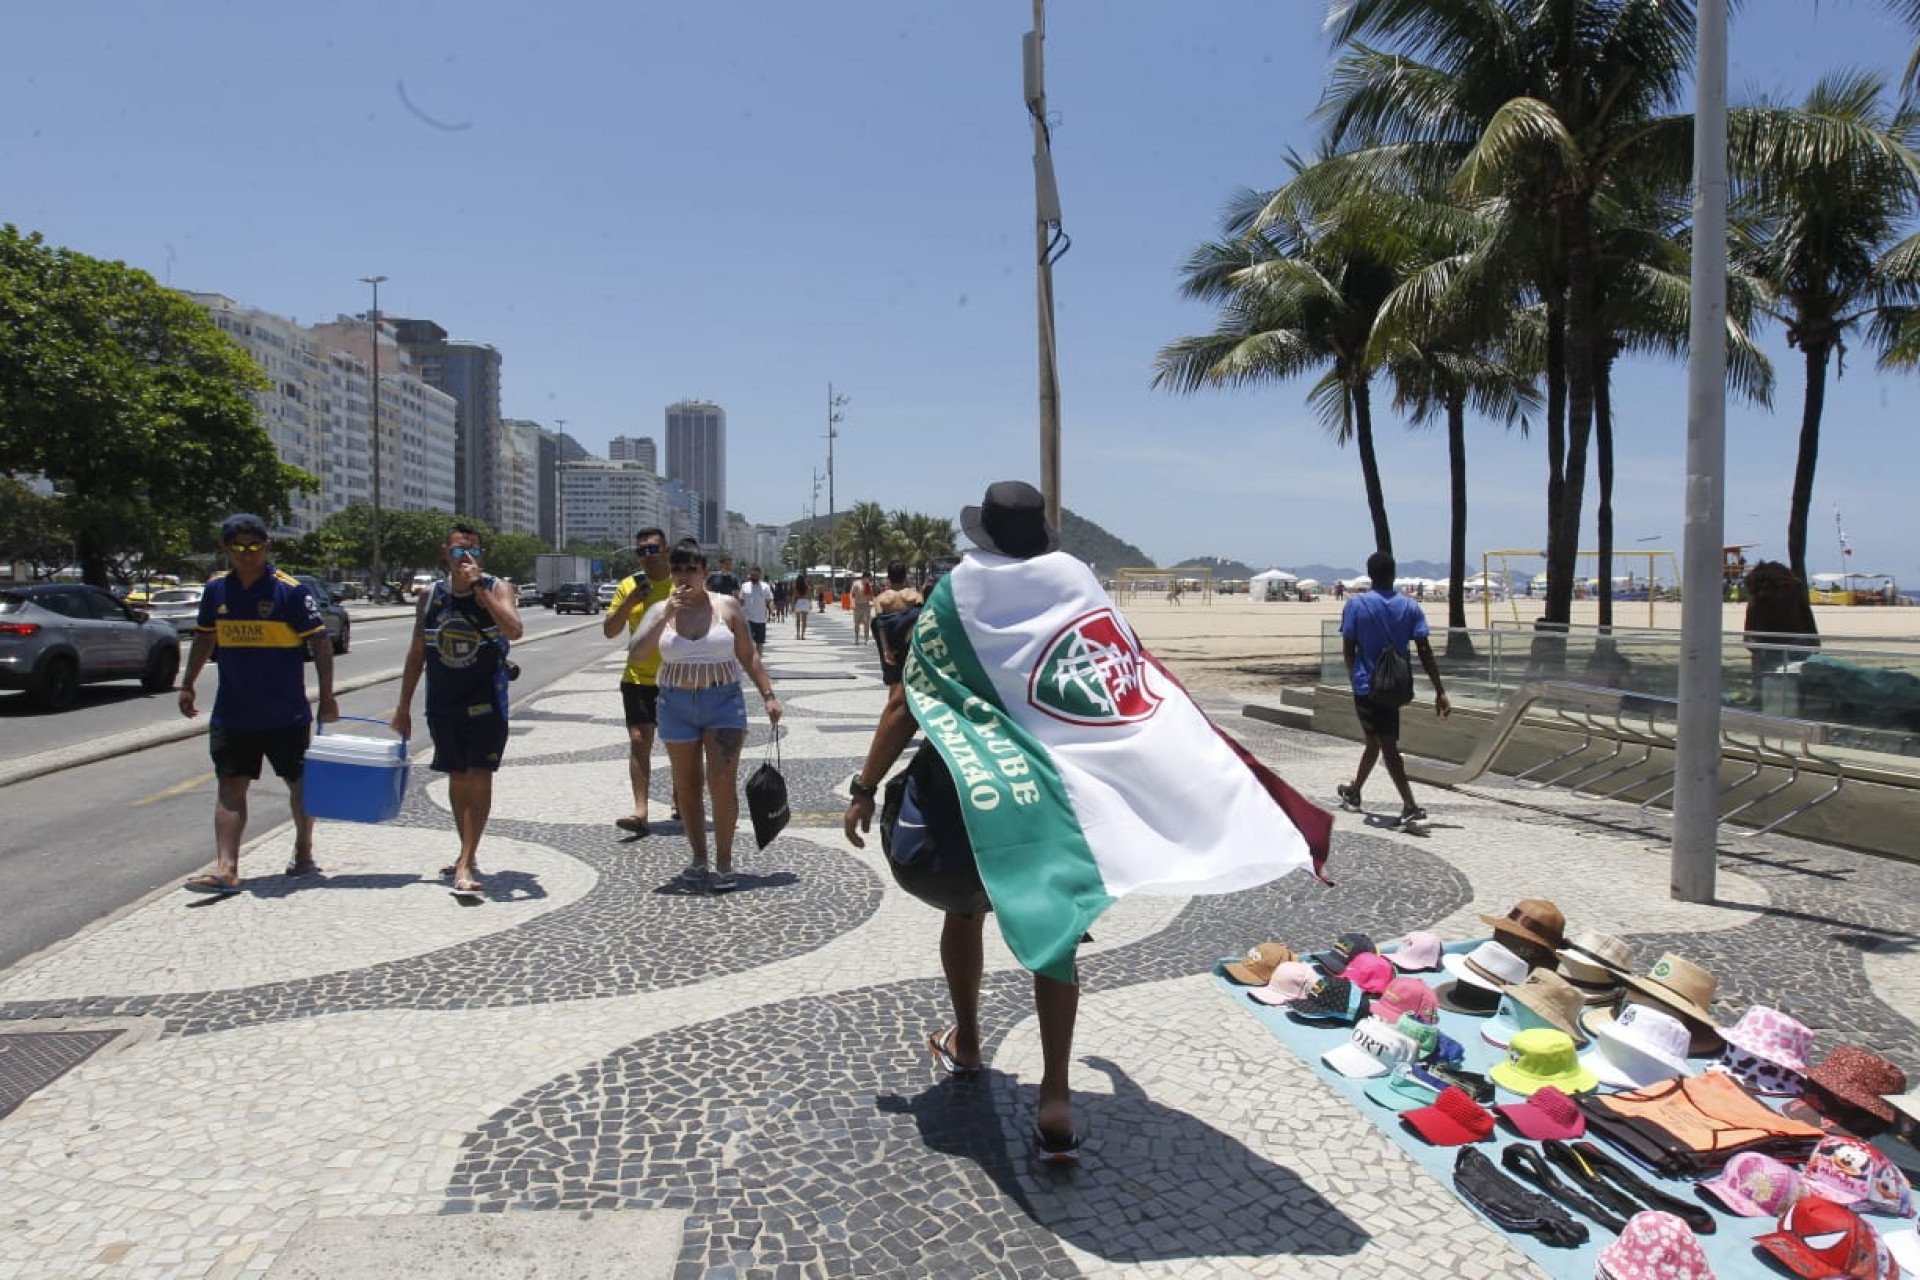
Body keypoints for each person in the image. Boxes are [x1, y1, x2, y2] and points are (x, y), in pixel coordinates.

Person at [844, 480, 1327, 1165]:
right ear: (1040, 532)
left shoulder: (956, 595)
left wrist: (864, 787)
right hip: (1054, 796)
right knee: (1057, 934)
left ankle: (971, 1045)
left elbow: (904, 704)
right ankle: (1057, 1097)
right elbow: (1115, 678)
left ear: (985, 536)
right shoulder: (1075, 584)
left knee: (963, 915)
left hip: (970, 788)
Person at [177, 513, 339, 893]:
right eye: (237, 548)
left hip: (286, 711)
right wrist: (187, 684)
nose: (246, 555)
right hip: (234, 712)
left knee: (298, 783)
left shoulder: (291, 591)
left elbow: (320, 643)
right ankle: (226, 868)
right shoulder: (216, 591)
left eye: (253, 547)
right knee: (231, 785)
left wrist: (327, 696)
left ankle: (303, 851)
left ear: (267, 547)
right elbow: (204, 639)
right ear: (225, 550)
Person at [627, 539, 782, 890]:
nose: (684, 576)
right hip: (675, 705)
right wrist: (664, 614)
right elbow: (636, 654)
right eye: (677, 569)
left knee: (722, 783)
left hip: (723, 701)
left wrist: (768, 695)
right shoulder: (659, 611)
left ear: (705, 573)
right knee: (687, 786)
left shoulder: (725, 606)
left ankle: (724, 860)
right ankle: (699, 857)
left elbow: (749, 654)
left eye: (691, 569)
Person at [390, 522, 524, 894]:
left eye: (474, 552)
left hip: (486, 702)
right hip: (444, 703)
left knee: (479, 776)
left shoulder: (497, 588)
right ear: (443, 553)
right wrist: (403, 706)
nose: (466, 557)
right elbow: (418, 652)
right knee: (458, 779)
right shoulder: (431, 596)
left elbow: (514, 630)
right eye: (458, 550)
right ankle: (468, 849)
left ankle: (466, 860)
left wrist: (482, 590)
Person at [1335, 550, 1450, 829]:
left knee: (1386, 745)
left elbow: (1349, 647)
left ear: (1371, 574)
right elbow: (1424, 649)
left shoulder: (1356, 605)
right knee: (1374, 739)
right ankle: (1354, 791)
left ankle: (1410, 806)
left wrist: (1354, 678)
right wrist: (1439, 690)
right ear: (1394, 574)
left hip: (1366, 685)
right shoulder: (1410, 607)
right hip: (1396, 685)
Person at [601, 528, 676, 834]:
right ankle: (641, 811)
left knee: (678, 745)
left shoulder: (679, 584)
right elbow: (609, 630)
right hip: (638, 678)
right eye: (641, 551)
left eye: (653, 549)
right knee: (639, 741)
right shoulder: (629, 586)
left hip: (676, 678)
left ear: (666, 549)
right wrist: (630, 600)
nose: (647, 555)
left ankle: (679, 799)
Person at [739, 565, 774, 650]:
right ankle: (750, 661)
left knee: (760, 643)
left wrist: (772, 612)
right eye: (752, 575)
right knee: (748, 642)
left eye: (756, 575)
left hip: (761, 620)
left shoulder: (765, 587)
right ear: (749, 575)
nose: (754, 577)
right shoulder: (744, 586)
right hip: (747, 619)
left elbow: (769, 601)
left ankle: (758, 660)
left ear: (760, 575)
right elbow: (741, 601)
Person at [850, 571, 874, 644]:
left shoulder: (869, 585)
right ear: (864, 577)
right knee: (856, 623)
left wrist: (872, 602)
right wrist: (852, 604)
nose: (869, 580)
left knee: (866, 623)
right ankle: (856, 638)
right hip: (857, 606)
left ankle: (866, 639)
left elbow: (871, 596)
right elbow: (852, 594)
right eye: (868, 578)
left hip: (866, 606)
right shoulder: (857, 584)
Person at [791, 571, 812, 639]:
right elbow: (809, 596)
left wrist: (792, 605)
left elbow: (794, 597)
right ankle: (803, 635)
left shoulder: (796, 587)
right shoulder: (807, 587)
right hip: (805, 602)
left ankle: (797, 634)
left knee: (798, 620)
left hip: (799, 602)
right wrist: (810, 604)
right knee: (804, 620)